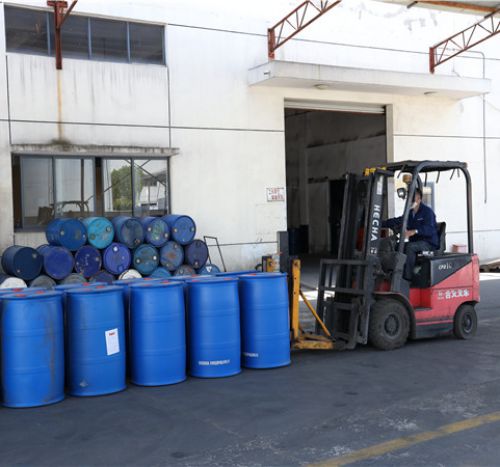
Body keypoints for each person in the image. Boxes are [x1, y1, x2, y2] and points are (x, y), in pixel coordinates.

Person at [383, 188, 439, 280]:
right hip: (416, 242)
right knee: (396, 246)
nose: (410, 200)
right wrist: (380, 223)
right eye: (409, 198)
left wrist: (415, 231)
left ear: (419, 199)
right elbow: (399, 220)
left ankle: (407, 278)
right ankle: (396, 274)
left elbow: (430, 229)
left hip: (428, 243)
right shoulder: (410, 213)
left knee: (410, 247)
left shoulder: (427, 212)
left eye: (412, 198)